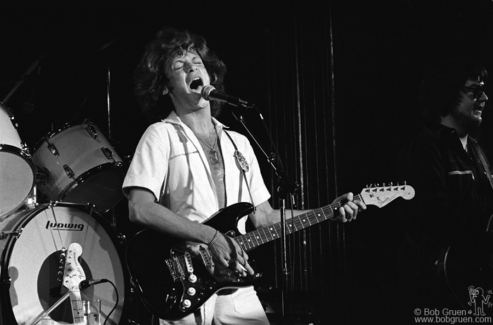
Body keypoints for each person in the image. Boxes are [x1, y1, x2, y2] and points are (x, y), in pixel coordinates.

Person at [123, 26, 366, 325]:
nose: (191, 67)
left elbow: (263, 217)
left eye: (196, 62)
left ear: (209, 74)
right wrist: (211, 236)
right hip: (184, 279)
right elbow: (139, 208)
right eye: (179, 66)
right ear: (164, 86)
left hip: (235, 280)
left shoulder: (238, 141)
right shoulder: (160, 135)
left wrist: (327, 211)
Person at [394, 59, 491, 320]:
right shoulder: (426, 147)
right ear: (448, 94)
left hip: (474, 285)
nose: (484, 97)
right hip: (439, 290)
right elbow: (433, 217)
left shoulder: (476, 150)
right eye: (474, 91)